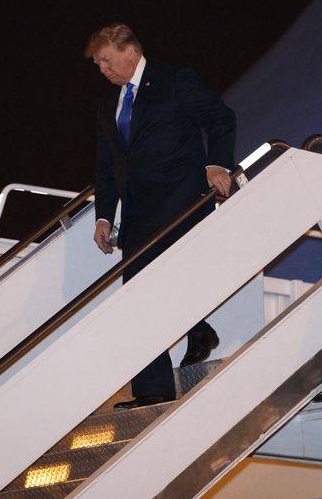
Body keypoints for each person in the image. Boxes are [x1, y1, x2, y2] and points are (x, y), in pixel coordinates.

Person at [85, 23, 236, 410]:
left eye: (106, 60)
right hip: (137, 211)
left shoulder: (172, 80)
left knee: (164, 282)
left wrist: (217, 164)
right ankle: (175, 360)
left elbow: (220, 117)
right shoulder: (108, 103)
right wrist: (104, 216)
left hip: (181, 198)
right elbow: (107, 164)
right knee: (139, 295)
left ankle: (183, 347)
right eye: (98, 63)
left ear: (130, 51)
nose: (102, 69)